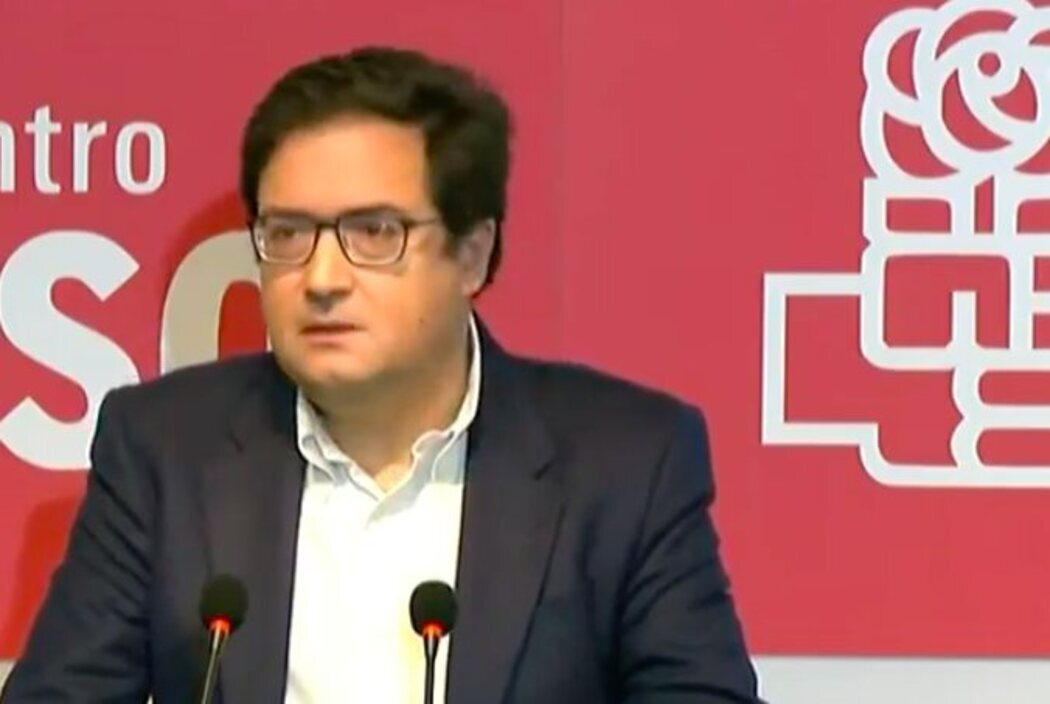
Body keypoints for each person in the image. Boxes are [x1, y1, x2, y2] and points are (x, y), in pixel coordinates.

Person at [1, 46, 761, 703]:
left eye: (374, 232)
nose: (321, 278)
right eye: (287, 233)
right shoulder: (166, 451)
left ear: (472, 254)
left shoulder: (624, 465)